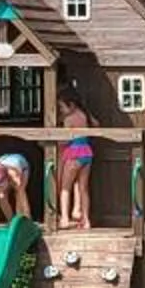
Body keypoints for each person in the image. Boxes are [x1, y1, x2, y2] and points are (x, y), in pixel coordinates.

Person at [56, 93, 94, 229]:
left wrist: (56, 139)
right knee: (83, 188)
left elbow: (66, 140)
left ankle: (65, 219)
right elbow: (96, 124)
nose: (60, 110)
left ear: (71, 105)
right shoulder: (84, 115)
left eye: (62, 107)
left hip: (74, 152)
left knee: (65, 188)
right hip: (87, 151)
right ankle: (86, 220)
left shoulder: (69, 119)